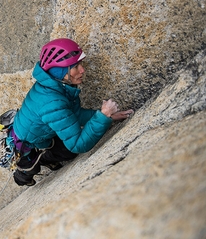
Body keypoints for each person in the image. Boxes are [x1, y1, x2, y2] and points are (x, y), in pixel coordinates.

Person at [11, 38, 134, 186]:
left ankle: (47, 158)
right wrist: (102, 117)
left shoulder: (57, 86)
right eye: (75, 67)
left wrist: (107, 117)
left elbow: (74, 115)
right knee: (31, 167)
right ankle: (23, 176)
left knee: (65, 151)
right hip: (27, 143)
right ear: (60, 72)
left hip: (37, 128)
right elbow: (78, 144)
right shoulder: (52, 102)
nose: (82, 70)